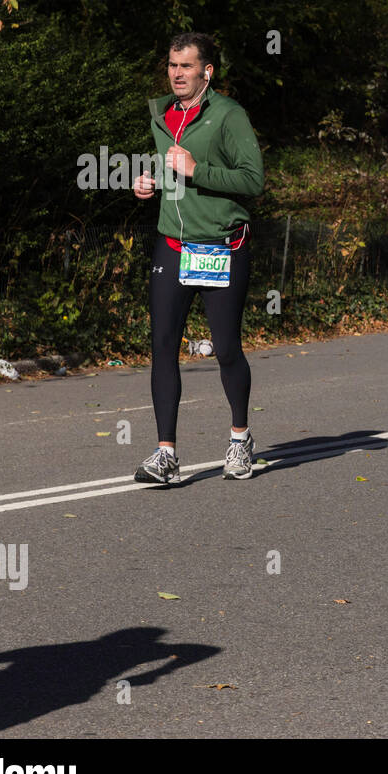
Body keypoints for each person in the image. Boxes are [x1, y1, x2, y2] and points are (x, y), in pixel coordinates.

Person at [132, 32, 264, 486]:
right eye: (172, 65)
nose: (177, 74)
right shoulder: (162, 114)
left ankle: (240, 438)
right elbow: (165, 163)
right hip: (173, 247)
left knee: (226, 348)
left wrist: (196, 171)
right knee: (163, 346)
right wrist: (149, 180)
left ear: (207, 71)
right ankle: (165, 453)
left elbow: (252, 179)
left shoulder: (229, 116)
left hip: (221, 247)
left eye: (186, 66)